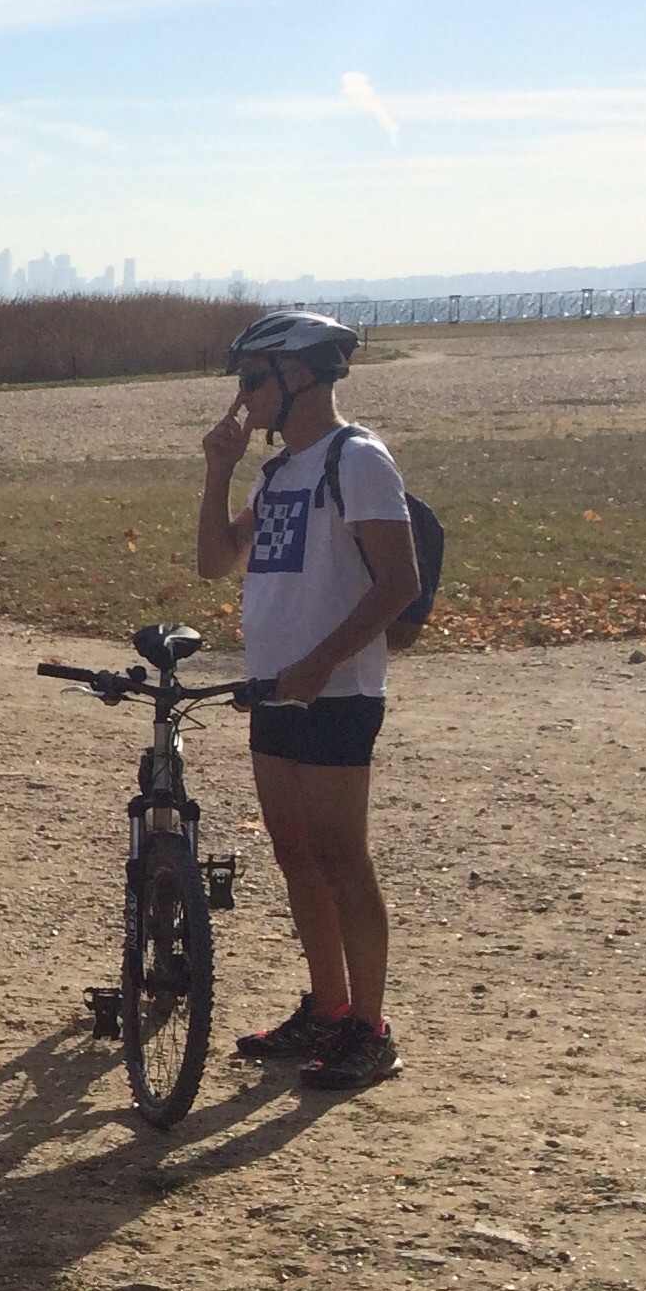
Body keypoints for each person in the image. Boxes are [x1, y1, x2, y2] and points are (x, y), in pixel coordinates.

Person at [195, 310, 416, 1092]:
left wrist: (322, 663)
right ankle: (328, 1008)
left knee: (341, 857)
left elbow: (400, 581)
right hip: (274, 689)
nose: (242, 398)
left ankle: (370, 1029)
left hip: (336, 691)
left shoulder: (358, 459)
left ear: (301, 377)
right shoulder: (278, 471)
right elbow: (214, 562)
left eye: (253, 380)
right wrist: (218, 471)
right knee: (295, 855)